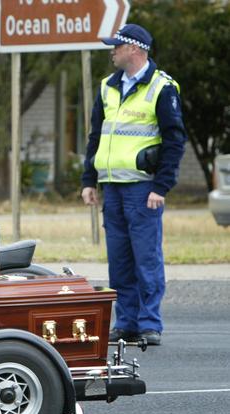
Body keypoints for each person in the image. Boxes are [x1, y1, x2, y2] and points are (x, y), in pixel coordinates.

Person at [81, 24, 186, 346]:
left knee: (147, 258)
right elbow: (96, 137)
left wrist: (162, 186)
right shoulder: (107, 88)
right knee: (120, 259)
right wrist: (89, 180)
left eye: (117, 46)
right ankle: (126, 323)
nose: (112, 50)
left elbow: (174, 141)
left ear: (135, 49)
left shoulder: (162, 87)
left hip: (143, 189)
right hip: (112, 187)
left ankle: (149, 323)